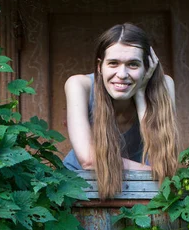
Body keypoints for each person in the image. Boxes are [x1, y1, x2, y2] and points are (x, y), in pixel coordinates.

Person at [63, 23, 179, 199]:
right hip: (79, 188)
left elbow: (162, 160)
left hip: (144, 189)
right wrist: (153, 173)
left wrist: (141, 96)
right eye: (113, 63)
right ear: (99, 66)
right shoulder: (80, 85)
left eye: (133, 64)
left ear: (147, 67)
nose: (122, 74)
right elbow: (88, 160)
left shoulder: (165, 85)